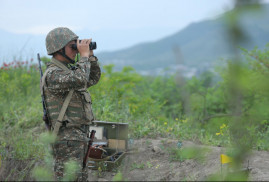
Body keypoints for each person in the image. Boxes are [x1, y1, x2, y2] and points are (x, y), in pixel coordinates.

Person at [42, 27, 101, 181]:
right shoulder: (53, 74)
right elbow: (80, 79)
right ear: (58, 49)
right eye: (72, 46)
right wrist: (84, 56)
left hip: (77, 137)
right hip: (67, 139)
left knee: (79, 178)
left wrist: (91, 56)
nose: (76, 50)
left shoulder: (69, 71)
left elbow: (92, 78)